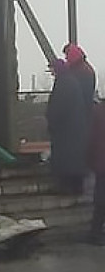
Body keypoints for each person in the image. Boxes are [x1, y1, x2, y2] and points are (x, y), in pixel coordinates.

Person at [47, 57, 90, 195]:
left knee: (64, 159)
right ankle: (77, 187)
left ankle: (65, 187)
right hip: (75, 128)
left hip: (65, 130)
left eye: (52, 69)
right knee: (75, 159)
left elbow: (58, 108)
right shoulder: (71, 81)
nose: (51, 72)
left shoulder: (63, 84)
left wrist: (51, 120)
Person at [88, 100, 105, 244]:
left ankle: (96, 231)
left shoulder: (97, 112)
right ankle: (96, 232)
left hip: (101, 163)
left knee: (101, 199)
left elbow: (91, 138)